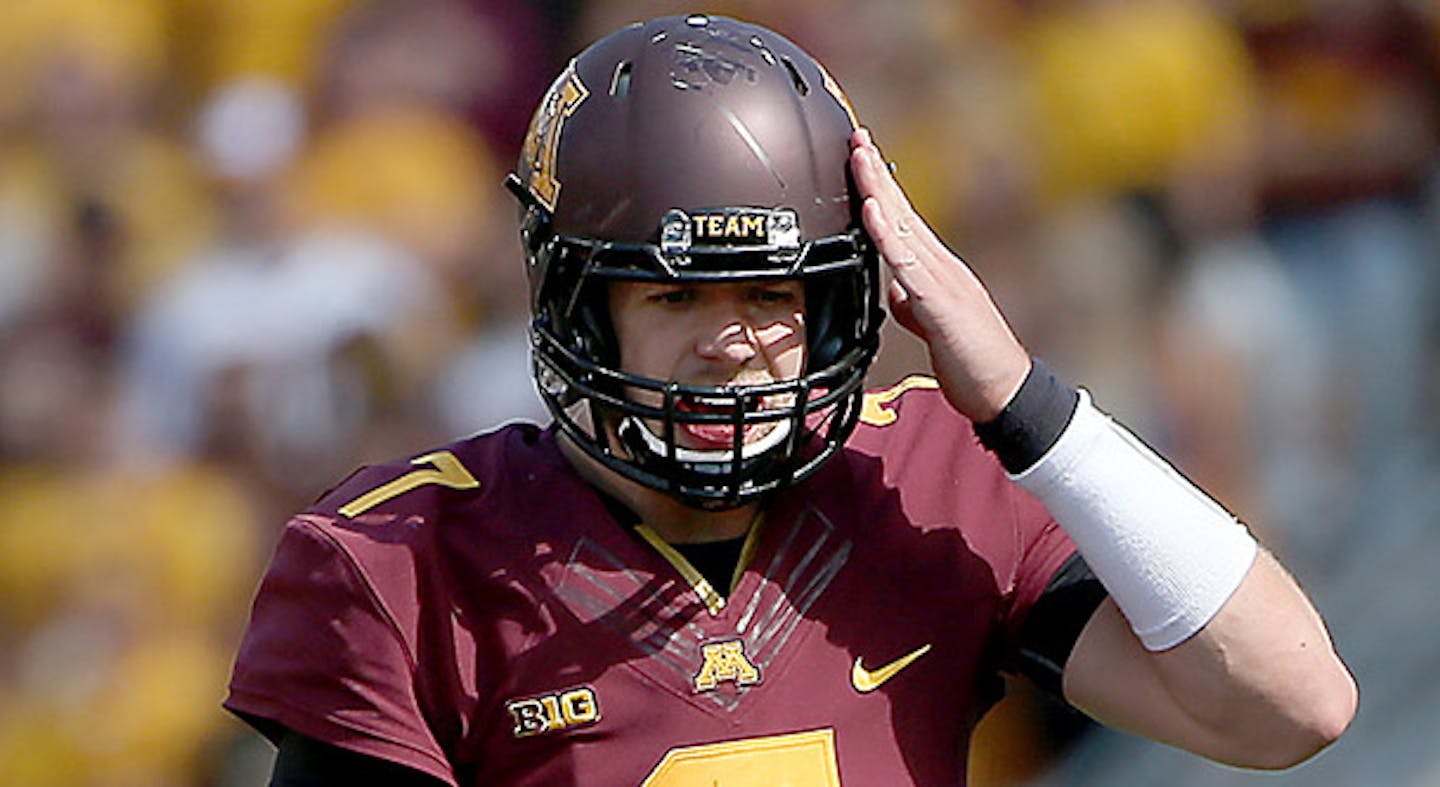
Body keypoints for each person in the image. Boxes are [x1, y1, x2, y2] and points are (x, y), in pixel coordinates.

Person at [224, 14, 1357, 786]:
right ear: (579, 304)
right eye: (675, 294)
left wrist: (1024, 399)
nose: (735, 341)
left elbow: (1290, 704)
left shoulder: (924, 481)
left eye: (775, 292)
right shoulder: (406, 559)